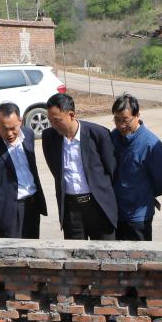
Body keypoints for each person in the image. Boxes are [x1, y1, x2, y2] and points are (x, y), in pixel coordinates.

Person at [41, 93, 118, 240]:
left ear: (71, 115)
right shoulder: (49, 137)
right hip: (71, 210)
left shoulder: (98, 134)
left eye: (57, 120)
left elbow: (111, 169)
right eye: (50, 120)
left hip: (99, 206)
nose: (53, 125)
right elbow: (56, 171)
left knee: (105, 250)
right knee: (75, 253)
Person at [0, 102, 48, 239]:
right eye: (4, 129)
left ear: (20, 121)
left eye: (13, 128)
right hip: (7, 210)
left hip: (32, 205)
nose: (9, 133)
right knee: (10, 250)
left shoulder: (28, 134)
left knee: (32, 247)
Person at [110, 94, 162, 241]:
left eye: (125, 120)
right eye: (117, 120)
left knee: (139, 254)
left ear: (137, 115)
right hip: (115, 212)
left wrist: (144, 194)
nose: (121, 125)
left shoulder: (151, 144)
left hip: (138, 216)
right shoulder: (114, 137)